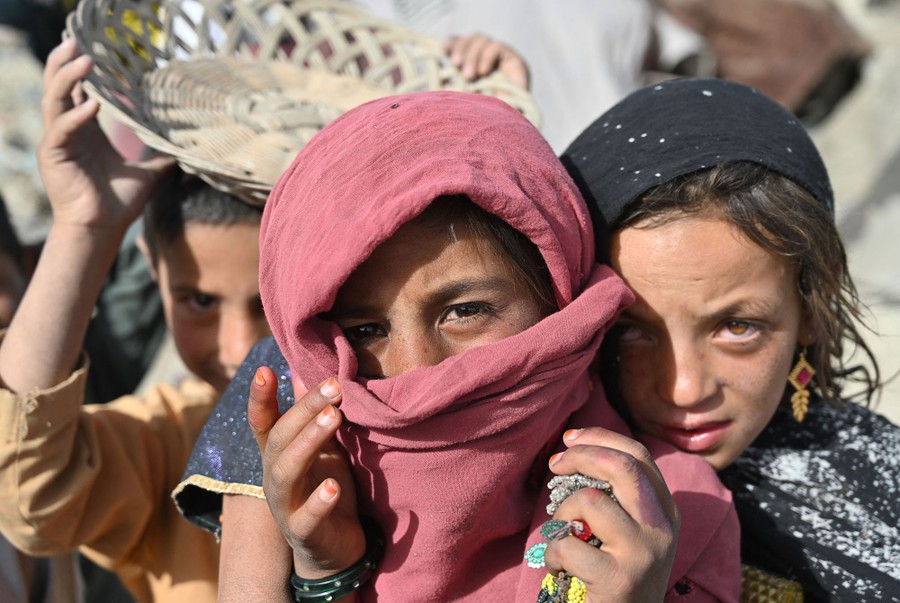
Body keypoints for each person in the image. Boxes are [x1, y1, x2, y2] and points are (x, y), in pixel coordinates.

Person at [175, 90, 742, 602]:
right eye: (365, 330)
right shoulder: (296, 479)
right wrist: (326, 570)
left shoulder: (661, 519)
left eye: (465, 312)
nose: (416, 371)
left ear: (560, 299)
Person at [561, 77, 900, 601]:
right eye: (630, 332)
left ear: (812, 304)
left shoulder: (881, 479)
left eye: (737, 327)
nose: (684, 389)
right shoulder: (544, 506)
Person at [0, 38, 271, 602]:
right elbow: (30, 494)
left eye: (270, 303)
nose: (239, 348)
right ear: (154, 270)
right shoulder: (170, 445)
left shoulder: (399, 418)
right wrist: (85, 228)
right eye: (199, 302)